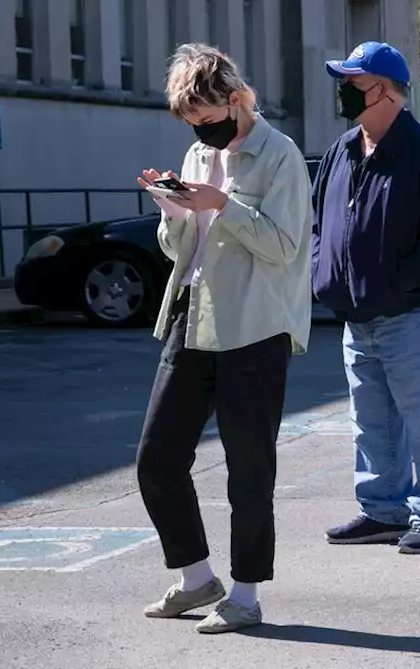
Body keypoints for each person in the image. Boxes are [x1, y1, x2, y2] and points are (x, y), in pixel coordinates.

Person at [134, 43, 313, 634]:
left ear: (237, 101)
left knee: (248, 467)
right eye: (193, 125)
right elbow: (178, 249)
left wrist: (222, 205)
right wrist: (174, 211)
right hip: (194, 315)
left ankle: (244, 594)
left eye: (209, 121)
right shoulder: (194, 153)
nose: (203, 134)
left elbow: (286, 247)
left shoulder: (279, 154)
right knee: (158, 458)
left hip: (255, 327)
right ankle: (195, 578)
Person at [312, 42, 420, 554]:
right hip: (358, 316)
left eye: (352, 83)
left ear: (383, 90)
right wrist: (326, 275)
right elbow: (322, 223)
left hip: (414, 315)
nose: (342, 92)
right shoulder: (342, 150)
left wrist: (407, 286)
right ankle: (382, 509)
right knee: (372, 420)